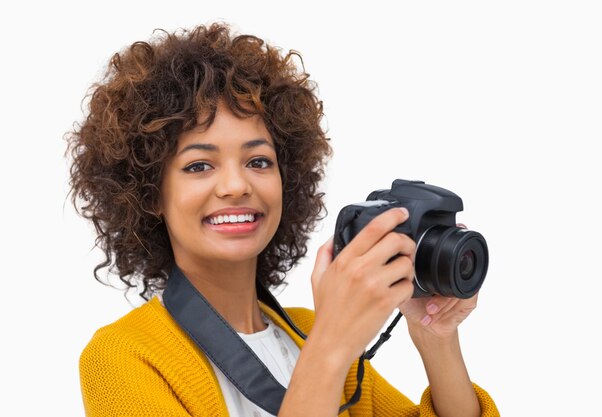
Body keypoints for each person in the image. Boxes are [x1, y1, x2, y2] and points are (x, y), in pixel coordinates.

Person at [67, 22, 499, 417]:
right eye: (199, 166)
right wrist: (331, 347)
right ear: (150, 194)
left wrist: (434, 337)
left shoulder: (309, 332)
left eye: (258, 161)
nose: (236, 185)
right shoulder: (123, 356)